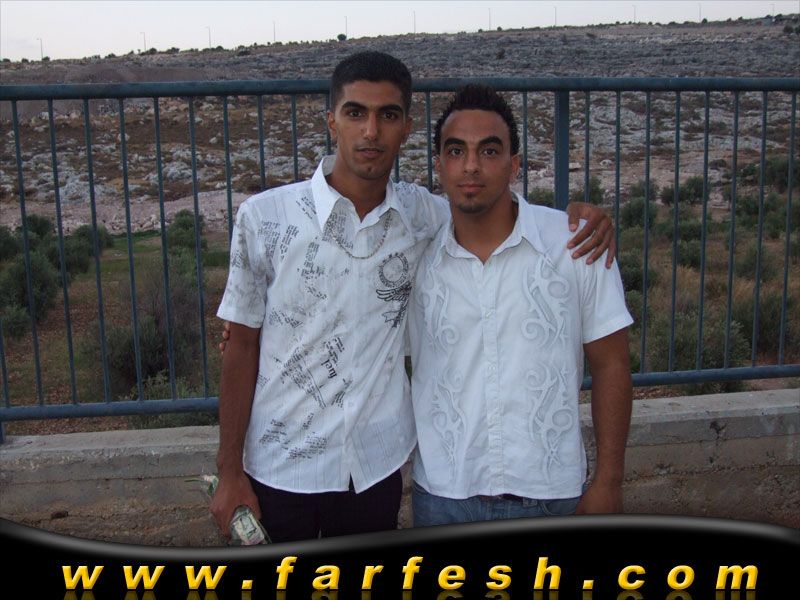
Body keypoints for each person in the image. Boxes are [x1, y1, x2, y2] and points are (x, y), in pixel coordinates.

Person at [213, 51, 615, 543]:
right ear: (331, 122)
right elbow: (240, 346)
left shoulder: (424, 216)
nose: (371, 131)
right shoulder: (264, 219)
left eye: (388, 115)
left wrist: (585, 217)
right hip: (279, 468)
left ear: (406, 129)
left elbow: (491, 210)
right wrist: (229, 470)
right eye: (355, 113)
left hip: (374, 472)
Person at [408, 84, 633, 526]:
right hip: (443, 498)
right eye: (456, 151)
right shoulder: (414, 257)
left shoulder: (575, 245)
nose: (471, 165)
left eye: (489, 151)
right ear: (439, 165)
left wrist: (609, 481)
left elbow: (612, 365)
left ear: (514, 165)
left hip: (551, 496)